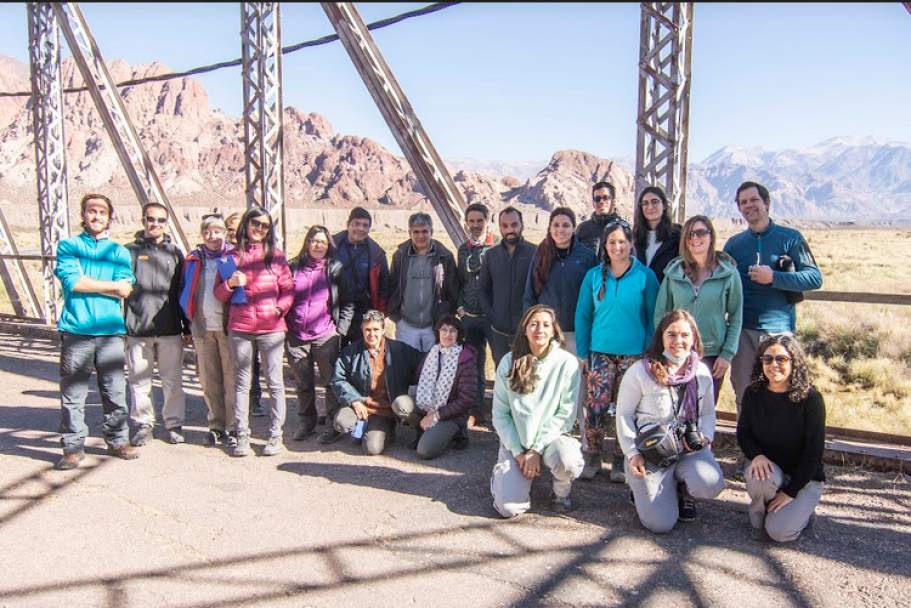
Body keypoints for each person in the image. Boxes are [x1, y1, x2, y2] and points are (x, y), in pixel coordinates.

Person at [617, 310, 726, 533]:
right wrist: (632, 453)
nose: (679, 341)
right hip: (651, 451)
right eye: (672, 335)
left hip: (687, 448)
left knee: (711, 483)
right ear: (661, 338)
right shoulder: (640, 372)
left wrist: (705, 437)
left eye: (685, 335)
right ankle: (640, 488)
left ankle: (683, 488)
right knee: (660, 524)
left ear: (694, 338)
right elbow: (624, 415)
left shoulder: (701, 372)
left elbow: (707, 413)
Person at [722, 181, 823, 415]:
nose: (749, 206)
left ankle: (781, 449)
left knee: (783, 391)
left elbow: (814, 278)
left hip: (780, 332)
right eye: (743, 202)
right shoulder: (734, 245)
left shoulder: (790, 238)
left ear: (766, 203)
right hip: (743, 331)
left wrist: (773, 277)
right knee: (744, 393)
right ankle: (750, 449)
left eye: (754, 200)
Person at [53, 193, 138, 470]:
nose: (97, 216)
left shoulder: (119, 252)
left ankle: (117, 440)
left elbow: (125, 287)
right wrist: (109, 286)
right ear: (84, 214)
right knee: (73, 393)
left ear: (109, 216)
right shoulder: (69, 246)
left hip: (110, 332)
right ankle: (73, 447)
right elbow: (72, 282)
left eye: (102, 212)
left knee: (114, 390)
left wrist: (93, 283)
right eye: (92, 211)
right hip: (77, 329)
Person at [575, 219, 659, 482]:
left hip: (634, 355)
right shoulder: (593, 276)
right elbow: (583, 315)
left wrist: (648, 352)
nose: (617, 246)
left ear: (631, 244)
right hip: (599, 351)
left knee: (627, 410)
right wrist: (582, 351)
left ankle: (622, 459)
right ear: (605, 245)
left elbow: (653, 317)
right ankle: (592, 455)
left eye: (622, 241)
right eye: (611, 242)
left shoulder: (645, 276)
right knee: (596, 408)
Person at [490, 304, 585, 517]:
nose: (539, 330)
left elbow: (565, 416)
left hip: (550, 440)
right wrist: (519, 451)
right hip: (518, 442)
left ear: (553, 331)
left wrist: (537, 450)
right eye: (533, 324)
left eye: (545, 325)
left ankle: (561, 494)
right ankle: (503, 477)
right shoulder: (508, 361)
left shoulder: (567, 363)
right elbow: (500, 414)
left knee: (568, 461)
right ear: (525, 329)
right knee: (508, 509)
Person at [214, 205, 293, 457]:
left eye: (264, 226)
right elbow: (218, 294)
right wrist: (229, 284)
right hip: (240, 327)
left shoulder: (276, 257)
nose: (259, 229)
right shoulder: (230, 258)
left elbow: (288, 290)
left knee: (275, 382)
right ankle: (242, 435)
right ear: (246, 225)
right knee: (241, 383)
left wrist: (278, 310)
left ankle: (275, 434)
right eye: (255, 223)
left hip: (271, 329)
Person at [737, 335, 826, 543]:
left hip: (804, 479)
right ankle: (765, 514)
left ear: (794, 362)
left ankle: (801, 513)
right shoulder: (753, 393)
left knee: (780, 533)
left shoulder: (811, 399)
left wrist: (791, 491)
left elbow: (814, 453)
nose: (773, 365)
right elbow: (744, 434)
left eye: (781, 359)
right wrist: (756, 456)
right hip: (770, 471)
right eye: (767, 359)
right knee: (759, 477)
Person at [654, 215, 743, 401]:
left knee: (705, 410)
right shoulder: (674, 273)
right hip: (677, 352)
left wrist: (727, 354)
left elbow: (736, 316)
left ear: (711, 236)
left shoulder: (727, 273)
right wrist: (663, 349)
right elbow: (661, 314)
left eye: (701, 232)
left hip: (712, 354)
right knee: (674, 408)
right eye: (690, 234)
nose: (695, 238)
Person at [124, 202, 189, 447]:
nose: (156, 224)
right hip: (138, 328)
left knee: (172, 380)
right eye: (151, 219)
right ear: (143, 220)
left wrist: (186, 325)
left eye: (161, 220)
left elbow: (182, 291)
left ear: (167, 223)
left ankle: (173, 423)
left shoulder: (174, 253)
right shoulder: (129, 251)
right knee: (139, 381)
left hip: (169, 328)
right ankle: (143, 424)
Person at [285, 225, 354, 443]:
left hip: (326, 334)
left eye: (323, 242)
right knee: (303, 382)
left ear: (328, 246)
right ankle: (307, 421)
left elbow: (348, 303)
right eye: (314, 241)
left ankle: (333, 423)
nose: (318, 245)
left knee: (331, 381)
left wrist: (340, 331)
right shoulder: (293, 267)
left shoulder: (335, 269)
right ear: (307, 242)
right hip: (296, 335)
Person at [329, 310, 424, 455]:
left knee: (371, 449)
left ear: (383, 330)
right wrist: (354, 400)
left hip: (385, 409)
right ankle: (364, 427)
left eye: (375, 330)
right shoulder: (351, 352)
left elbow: (423, 362)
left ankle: (395, 429)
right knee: (341, 423)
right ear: (362, 329)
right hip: (360, 405)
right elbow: (338, 378)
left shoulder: (399, 350)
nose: (371, 334)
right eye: (367, 330)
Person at [179, 213, 238, 448]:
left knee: (232, 380)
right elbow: (184, 290)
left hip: (228, 328)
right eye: (207, 232)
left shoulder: (232, 257)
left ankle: (234, 426)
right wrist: (187, 321)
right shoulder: (193, 259)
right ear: (202, 234)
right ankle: (216, 425)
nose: (212, 236)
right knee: (209, 380)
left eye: (217, 231)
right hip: (202, 328)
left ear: (224, 233)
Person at [391, 314, 477, 459]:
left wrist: (437, 416)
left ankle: (457, 432)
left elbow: (466, 400)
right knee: (400, 404)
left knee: (425, 451)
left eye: (452, 331)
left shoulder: (465, 359)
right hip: (428, 405)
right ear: (438, 332)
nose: (447, 334)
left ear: (459, 334)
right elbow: (416, 377)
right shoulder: (432, 354)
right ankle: (422, 429)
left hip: (452, 414)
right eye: (444, 330)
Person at [388, 212, 459, 352]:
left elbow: (453, 289)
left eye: (425, 231)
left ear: (431, 231)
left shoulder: (444, 256)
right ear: (410, 233)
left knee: (433, 367)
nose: (421, 236)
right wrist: (396, 317)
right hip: (406, 325)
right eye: (416, 232)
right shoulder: (400, 256)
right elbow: (392, 286)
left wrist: (446, 318)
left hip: (434, 325)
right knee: (408, 369)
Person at [478, 205, 537, 374]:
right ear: (500, 228)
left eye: (514, 225)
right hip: (499, 332)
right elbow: (483, 289)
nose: (509, 230)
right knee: (503, 376)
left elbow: (541, 289)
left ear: (522, 225)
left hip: (527, 332)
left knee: (527, 377)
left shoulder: (535, 252)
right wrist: (492, 315)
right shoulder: (491, 255)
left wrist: (533, 319)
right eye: (505, 226)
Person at [456, 202, 497, 428]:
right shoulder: (463, 249)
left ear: (487, 221)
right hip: (470, 317)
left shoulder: (497, 247)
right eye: (471, 221)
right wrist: (460, 308)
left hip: (493, 318)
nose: (475, 225)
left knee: (503, 366)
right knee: (475, 365)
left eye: (479, 221)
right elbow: (461, 281)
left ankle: (503, 414)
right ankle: (477, 411)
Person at [226, 209, 265, 418]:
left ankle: (255, 397)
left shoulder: (264, 254)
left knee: (254, 363)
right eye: (230, 229)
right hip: (233, 317)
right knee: (238, 365)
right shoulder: (226, 257)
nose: (234, 232)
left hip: (260, 318)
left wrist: (277, 310)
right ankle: (233, 407)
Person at [333, 206, 390, 347]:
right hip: (336, 313)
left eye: (365, 225)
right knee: (337, 356)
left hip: (364, 313)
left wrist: (380, 315)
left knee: (364, 355)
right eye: (356, 224)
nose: (360, 229)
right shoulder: (331, 247)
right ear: (348, 225)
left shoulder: (377, 254)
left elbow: (385, 286)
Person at [632, 186, 681, 285]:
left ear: (664, 205)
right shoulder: (634, 237)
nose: (650, 207)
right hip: (639, 295)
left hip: (665, 294)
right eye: (645, 203)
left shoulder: (677, 237)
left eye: (655, 202)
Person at [576, 181, 621, 255]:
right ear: (593, 203)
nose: (601, 201)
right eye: (597, 198)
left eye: (606, 198)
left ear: (614, 201)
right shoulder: (583, 229)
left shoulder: (624, 229)